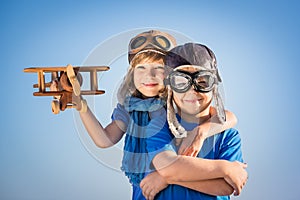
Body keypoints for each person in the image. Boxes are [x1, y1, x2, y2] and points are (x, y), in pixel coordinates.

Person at [52, 30, 239, 199]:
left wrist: (202, 131)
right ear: (131, 74)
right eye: (141, 68)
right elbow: (104, 140)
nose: (149, 75)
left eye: (158, 69)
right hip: (147, 189)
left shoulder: (176, 103)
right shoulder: (129, 109)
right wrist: (80, 105)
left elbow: (227, 117)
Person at [139, 43, 248, 200]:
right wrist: (224, 168)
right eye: (181, 83)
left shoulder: (228, 136)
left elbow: (226, 186)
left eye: (203, 82)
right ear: (170, 87)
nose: (192, 90)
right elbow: (168, 166)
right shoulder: (159, 126)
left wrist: (166, 178)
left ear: (214, 86)